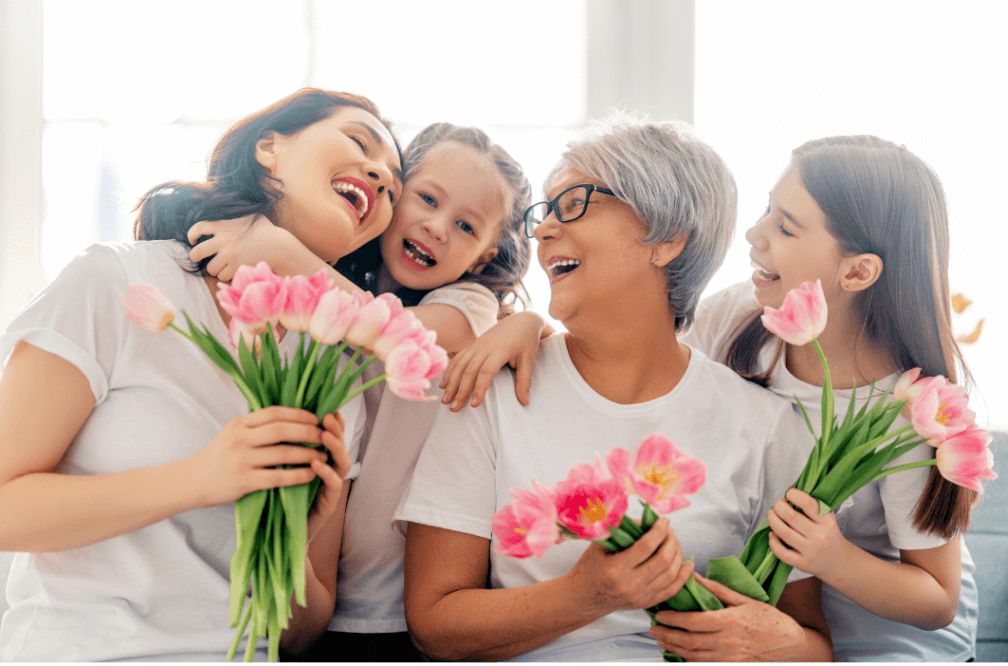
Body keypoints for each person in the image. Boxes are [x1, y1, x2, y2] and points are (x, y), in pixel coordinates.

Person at [441, 135, 978, 662]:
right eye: (768, 210)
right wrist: (527, 324)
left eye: (786, 226)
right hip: (803, 607)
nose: (754, 232)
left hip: (896, 631)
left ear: (858, 270)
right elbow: (634, 350)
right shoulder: (747, 317)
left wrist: (830, 556)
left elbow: (937, 600)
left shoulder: (913, 413)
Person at [396, 115, 832, 662]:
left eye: (574, 203)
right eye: (544, 211)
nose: (542, 229)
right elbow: (433, 623)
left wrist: (780, 644)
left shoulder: (766, 427)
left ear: (667, 238)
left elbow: (814, 645)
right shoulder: (492, 392)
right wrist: (583, 597)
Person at [0, 87, 401, 661]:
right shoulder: (116, 282)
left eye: (392, 182)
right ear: (270, 147)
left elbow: (303, 628)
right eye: (360, 141)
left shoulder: (333, 377)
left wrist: (294, 527)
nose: (381, 177)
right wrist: (200, 477)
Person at [186, 122, 532, 662]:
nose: (438, 227)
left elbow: (391, 333)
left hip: (393, 609)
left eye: (466, 226)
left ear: (482, 259)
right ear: (391, 197)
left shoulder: (469, 306)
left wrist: (277, 249)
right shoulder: (340, 279)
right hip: (310, 591)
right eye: (426, 199)